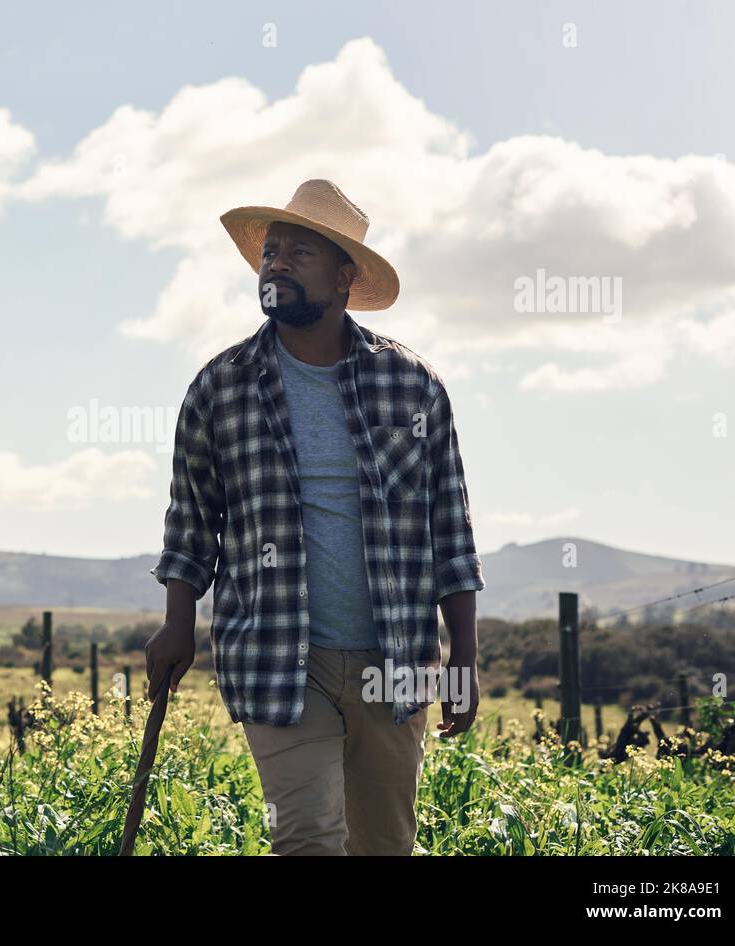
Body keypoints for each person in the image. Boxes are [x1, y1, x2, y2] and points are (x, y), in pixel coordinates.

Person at [146, 179, 485, 855]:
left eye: (298, 251)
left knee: (383, 845)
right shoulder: (222, 385)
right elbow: (192, 520)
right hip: (275, 654)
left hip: (396, 660)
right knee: (305, 838)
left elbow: (449, 524)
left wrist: (465, 657)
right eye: (271, 251)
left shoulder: (412, 384)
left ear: (344, 276)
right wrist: (176, 624)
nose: (276, 263)